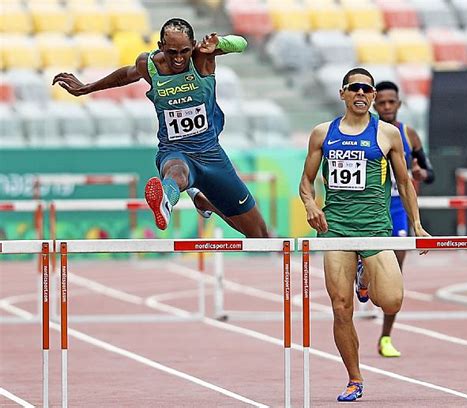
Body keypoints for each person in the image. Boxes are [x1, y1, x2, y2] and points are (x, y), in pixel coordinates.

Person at [53, 18, 268, 238]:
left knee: (260, 236)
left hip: (212, 156)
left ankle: (205, 202)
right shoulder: (150, 66)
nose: (178, 58)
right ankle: (165, 200)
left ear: (193, 44)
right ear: (160, 46)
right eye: (171, 52)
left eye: (184, 51)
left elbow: (241, 44)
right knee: (176, 173)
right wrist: (87, 88)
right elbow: (124, 76)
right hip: (174, 152)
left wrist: (220, 42)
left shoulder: (202, 56)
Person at [299, 68, 429, 402]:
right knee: (341, 308)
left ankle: (365, 274)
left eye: (367, 90)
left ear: (372, 96)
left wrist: (416, 224)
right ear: (343, 93)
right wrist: (311, 206)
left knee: (392, 300)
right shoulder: (321, 133)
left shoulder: (387, 134)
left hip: (374, 228)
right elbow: (306, 181)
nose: (361, 94)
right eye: (355, 88)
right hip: (336, 230)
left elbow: (403, 183)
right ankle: (354, 379)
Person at [355, 81, 435, 358]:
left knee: (395, 272)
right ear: (376, 104)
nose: (387, 107)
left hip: (399, 206)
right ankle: (363, 279)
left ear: (399, 104)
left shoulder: (408, 134)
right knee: (367, 258)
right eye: (383, 102)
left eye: (392, 102)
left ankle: (386, 337)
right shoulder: (367, 131)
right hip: (370, 204)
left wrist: (420, 172)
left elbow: (429, 172)